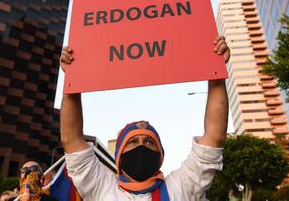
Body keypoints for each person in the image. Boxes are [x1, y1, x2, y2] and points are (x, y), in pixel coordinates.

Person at [59, 36, 230, 200]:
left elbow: (214, 138)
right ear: (118, 155)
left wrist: (216, 70)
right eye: (132, 142)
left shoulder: (182, 186)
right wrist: (72, 77)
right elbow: (71, 139)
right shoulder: (101, 187)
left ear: (160, 154)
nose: (141, 146)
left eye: (149, 142)